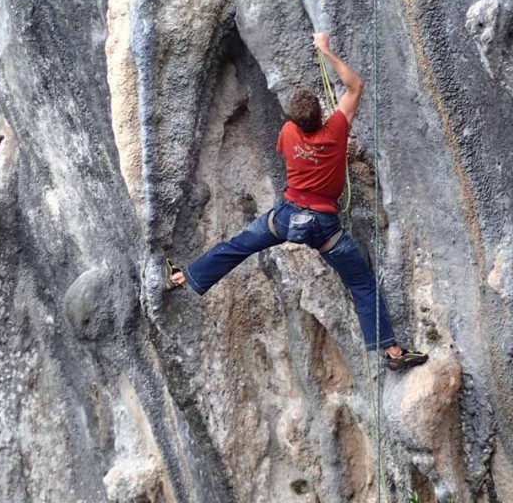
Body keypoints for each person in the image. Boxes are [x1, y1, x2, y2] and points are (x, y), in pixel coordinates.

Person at [167, 33, 428, 372]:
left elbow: (290, 148)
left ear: (294, 121)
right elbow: (355, 86)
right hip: (325, 228)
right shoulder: (335, 130)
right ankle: (392, 352)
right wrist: (325, 49)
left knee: (238, 246)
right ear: (321, 116)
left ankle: (182, 278)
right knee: (361, 282)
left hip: (287, 219)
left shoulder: (289, 133)